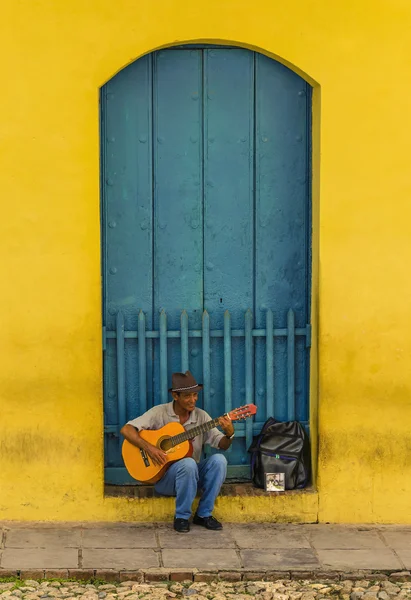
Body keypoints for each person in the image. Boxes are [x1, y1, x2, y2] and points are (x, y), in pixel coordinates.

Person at [120, 370, 235, 533]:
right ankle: (181, 517)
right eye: (187, 396)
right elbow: (127, 429)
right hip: (165, 479)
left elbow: (222, 445)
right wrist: (149, 448)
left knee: (219, 461)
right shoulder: (159, 413)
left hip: (192, 478)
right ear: (175, 396)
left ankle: (203, 514)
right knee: (187, 463)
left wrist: (230, 433)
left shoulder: (201, 417)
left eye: (195, 395)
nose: (193, 400)